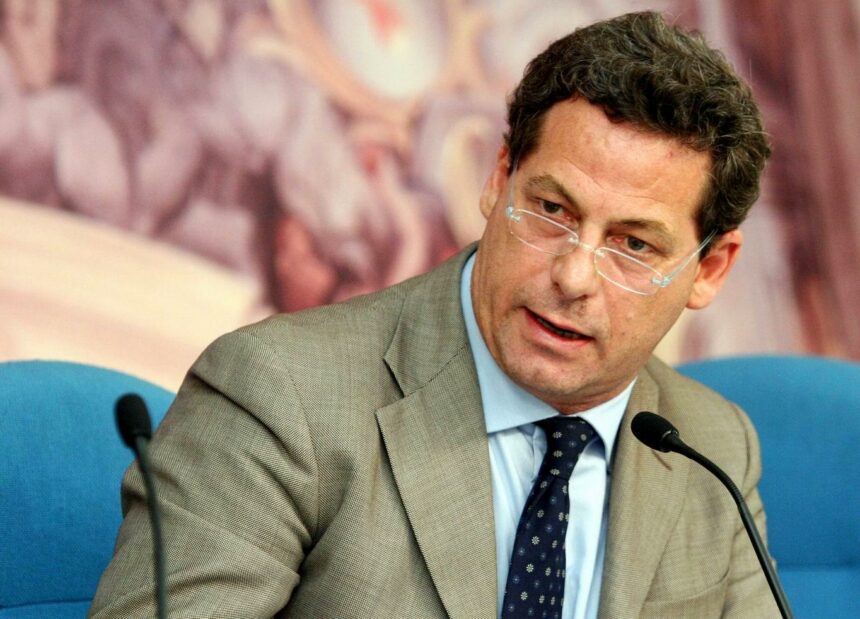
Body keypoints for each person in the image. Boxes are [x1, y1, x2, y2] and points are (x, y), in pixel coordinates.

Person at [90, 11, 777, 619]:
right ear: (498, 179)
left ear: (709, 269)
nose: (573, 277)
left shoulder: (713, 446)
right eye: (551, 210)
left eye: (633, 245)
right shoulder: (280, 395)